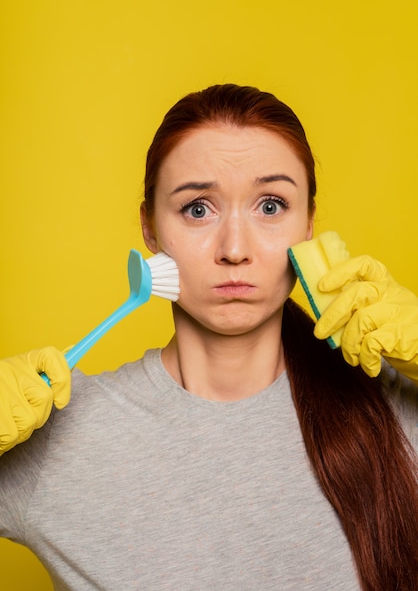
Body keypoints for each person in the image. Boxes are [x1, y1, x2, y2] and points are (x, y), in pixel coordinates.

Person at [1, 84, 417, 591]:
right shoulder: (62, 436)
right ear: (150, 230)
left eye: (270, 206)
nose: (235, 249)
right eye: (198, 208)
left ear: (308, 224)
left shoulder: (390, 401)